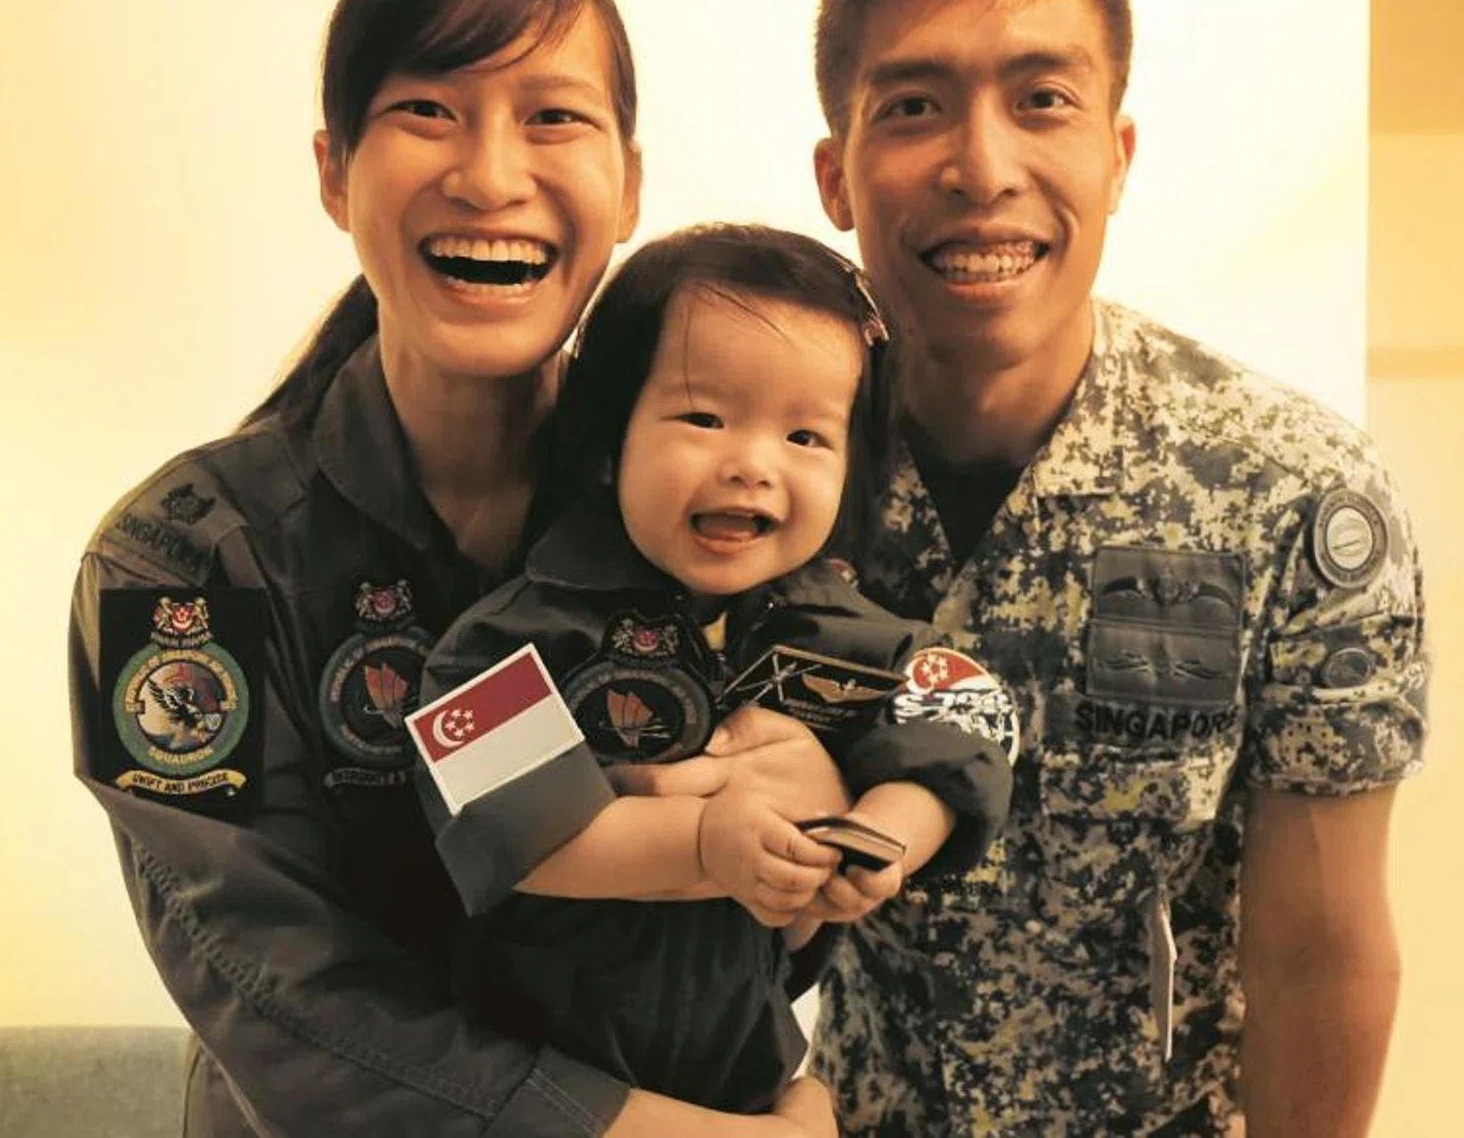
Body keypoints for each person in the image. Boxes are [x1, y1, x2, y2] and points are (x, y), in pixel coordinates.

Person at [68, 0, 844, 1138]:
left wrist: (815, 829)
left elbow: (764, 935)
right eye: (427, 109)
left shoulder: (721, 530)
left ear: (630, 184)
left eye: (554, 117)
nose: (491, 176)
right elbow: (268, 991)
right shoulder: (172, 565)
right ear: (334, 171)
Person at [799, 0, 1431, 1134]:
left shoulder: (1290, 497)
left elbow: (1319, 952)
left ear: (1117, 152)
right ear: (837, 175)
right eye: (913, 106)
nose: (983, 167)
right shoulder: (765, 473)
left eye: (1043, 99)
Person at [407, 223, 1018, 1114]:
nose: (753, 465)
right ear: (608, 439)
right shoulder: (519, 633)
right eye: (704, 418)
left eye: (806, 435)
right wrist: (701, 844)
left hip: (743, 1093)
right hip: (539, 1090)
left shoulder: (841, 630)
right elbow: (513, 830)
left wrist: (884, 831)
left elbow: (971, 707)